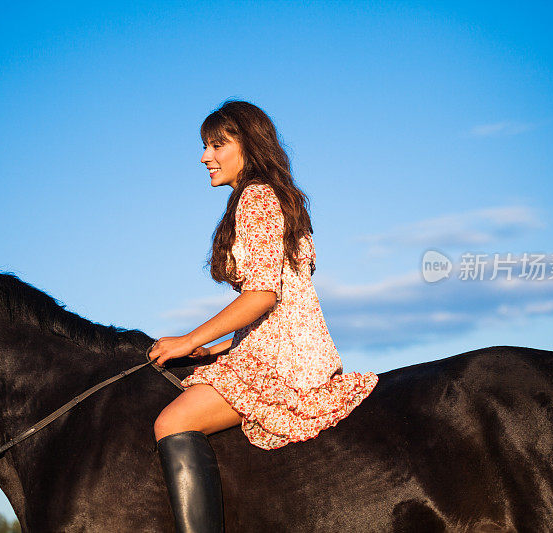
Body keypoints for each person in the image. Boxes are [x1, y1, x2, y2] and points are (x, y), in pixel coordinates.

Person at [147, 100, 379, 532]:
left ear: (249, 145)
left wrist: (185, 340)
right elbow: (284, 300)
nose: (204, 157)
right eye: (204, 146)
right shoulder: (272, 197)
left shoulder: (255, 197)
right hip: (283, 345)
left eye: (217, 144)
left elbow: (262, 297)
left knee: (172, 421)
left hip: (283, 357)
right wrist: (215, 349)